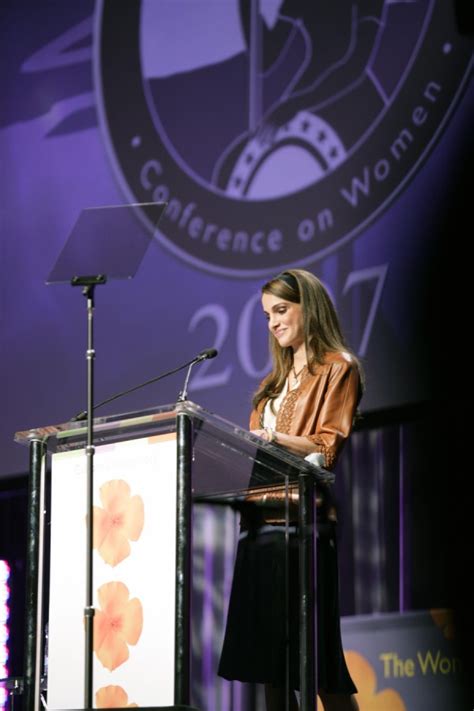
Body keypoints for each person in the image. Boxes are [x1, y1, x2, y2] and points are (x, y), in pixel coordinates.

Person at [218, 269, 363, 711]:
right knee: (270, 668)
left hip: (304, 528)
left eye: (281, 310)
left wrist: (271, 438)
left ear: (309, 308)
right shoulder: (269, 386)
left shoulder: (338, 368)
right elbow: (253, 450)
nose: (273, 323)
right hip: (260, 527)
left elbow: (326, 445)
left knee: (316, 664)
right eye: (266, 315)